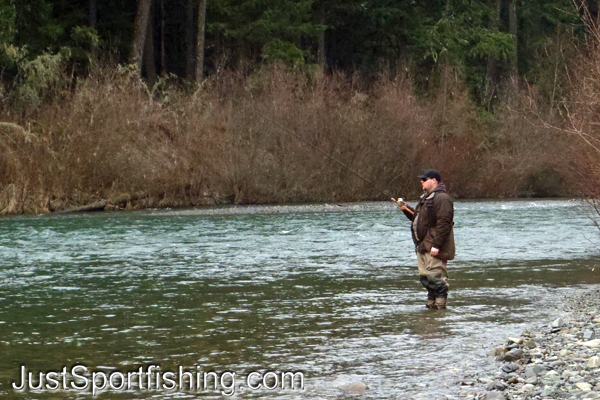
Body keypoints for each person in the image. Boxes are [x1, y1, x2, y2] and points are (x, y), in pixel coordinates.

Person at [396, 169, 455, 310]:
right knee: (426, 278)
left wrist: (436, 245)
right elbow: (419, 220)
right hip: (423, 245)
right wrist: (405, 209)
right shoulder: (425, 198)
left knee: (436, 277)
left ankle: (440, 308)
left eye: (424, 179)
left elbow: (444, 223)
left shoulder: (442, 198)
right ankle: (431, 308)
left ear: (434, 180)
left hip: (433, 246)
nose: (421, 182)